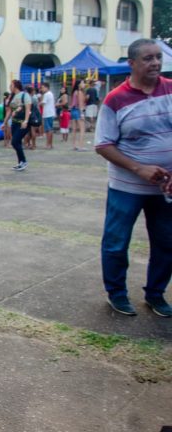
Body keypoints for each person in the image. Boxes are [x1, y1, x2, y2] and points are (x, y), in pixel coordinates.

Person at [95, 38, 172, 318]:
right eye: (148, 58)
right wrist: (139, 169)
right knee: (116, 243)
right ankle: (117, 294)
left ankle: (156, 294)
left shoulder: (171, 90)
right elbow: (103, 144)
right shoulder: (116, 99)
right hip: (126, 187)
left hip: (165, 189)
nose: (155, 63)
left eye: (158, 57)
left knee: (167, 243)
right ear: (132, 63)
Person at [2, 80, 31, 171]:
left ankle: (24, 161)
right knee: (17, 143)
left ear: (16, 86)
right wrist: (5, 122)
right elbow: (9, 111)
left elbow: (28, 109)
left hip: (23, 123)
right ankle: (20, 162)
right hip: (14, 123)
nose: (10, 87)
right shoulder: (12, 96)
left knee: (14, 141)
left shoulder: (25, 95)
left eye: (11, 85)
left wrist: (26, 121)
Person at [70, 79, 87, 151]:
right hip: (78, 111)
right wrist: (82, 114)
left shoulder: (74, 92)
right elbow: (80, 104)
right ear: (79, 84)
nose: (84, 84)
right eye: (82, 83)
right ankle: (81, 146)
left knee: (74, 129)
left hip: (73, 110)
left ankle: (74, 145)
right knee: (82, 129)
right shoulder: (80, 92)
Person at [39, 82, 56, 149]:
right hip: (51, 113)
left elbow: (43, 103)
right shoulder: (51, 94)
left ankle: (48, 144)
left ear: (46, 87)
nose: (42, 89)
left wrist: (39, 103)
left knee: (48, 130)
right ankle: (50, 144)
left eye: (43, 87)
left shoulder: (46, 94)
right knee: (50, 129)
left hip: (47, 114)